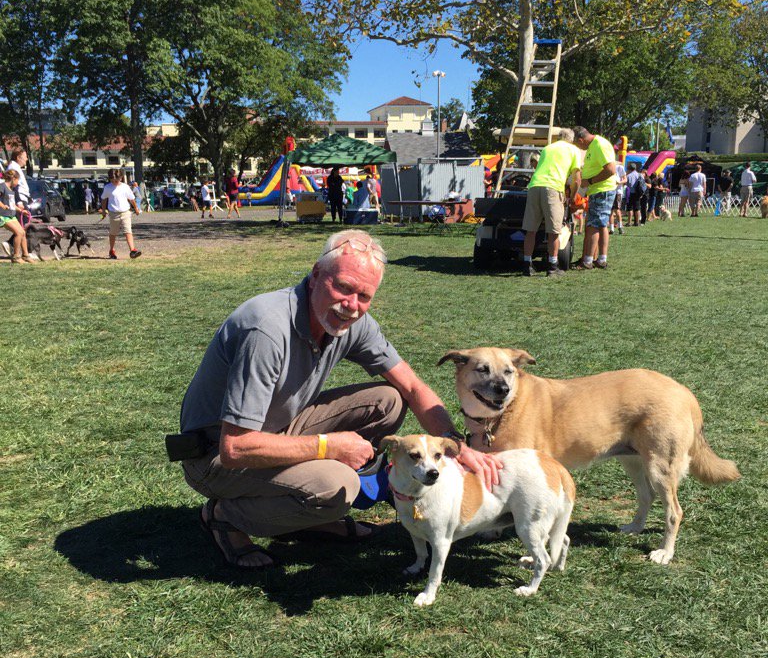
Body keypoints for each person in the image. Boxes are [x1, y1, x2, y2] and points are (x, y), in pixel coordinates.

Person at [179, 230, 503, 569]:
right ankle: (225, 517)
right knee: (338, 485)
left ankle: (308, 512)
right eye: (344, 287)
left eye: (364, 296)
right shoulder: (266, 329)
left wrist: (454, 444)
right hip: (214, 455)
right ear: (316, 274)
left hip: (276, 428)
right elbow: (235, 448)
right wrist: (328, 447)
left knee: (388, 400)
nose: (351, 305)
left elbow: (412, 387)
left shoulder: (350, 321)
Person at [520, 127, 581, 278]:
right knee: (554, 231)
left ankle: (527, 265)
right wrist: (572, 197)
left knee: (531, 230)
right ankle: (552, 267)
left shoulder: (547, 148)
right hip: (553, 188)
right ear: (571, 139)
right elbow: (577, 180)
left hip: (534, 186)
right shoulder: (573, 150)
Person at [573, 125, 617, 269]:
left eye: (577, 144)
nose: (579, 147)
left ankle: (587, 260)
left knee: (593, 225)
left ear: (581, 140)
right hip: (599, 190)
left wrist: (590, 181)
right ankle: (601, 259)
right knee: (601, 224)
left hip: (602, 190)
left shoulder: (599, 145)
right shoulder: (594, 145)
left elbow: (610, 170)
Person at [100, 167, 142, 259]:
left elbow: (131, 198)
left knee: (128, 231)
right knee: (113, 233)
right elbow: (103, 199)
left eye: (116, 180)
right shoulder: (107, 188)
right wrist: (103, 211)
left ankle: (133, 250)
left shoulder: (125, 187)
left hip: (125, 212)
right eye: (112, 180)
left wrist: (136, 208)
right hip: (113, 213)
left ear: (121, 178)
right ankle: (112, 250)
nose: (114, 182)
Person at [0, 168, 33, 264]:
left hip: (11, 215)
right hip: (3, 216)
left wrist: (21, 211)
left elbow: (12, 204)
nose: (18, 183)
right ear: (13, 178)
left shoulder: (12, 190)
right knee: (18, 233)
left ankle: (26, 255)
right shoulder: (2, 186)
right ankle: (15, 256)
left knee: (22, 232)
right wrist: (3, 206)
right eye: (18, 180)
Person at [6, 149, 30, 213]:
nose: (26, 159)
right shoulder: (13, 168)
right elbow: (13, 186)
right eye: (25, 157)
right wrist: (19, 201)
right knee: (23, 218)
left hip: (21, 198)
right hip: (19, 199)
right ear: (18, 157)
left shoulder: (16, 167)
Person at [610, 162, 626, 235]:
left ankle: (620, 227)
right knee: (610, 211)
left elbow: (625, 179)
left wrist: (619, 182)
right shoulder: (607, 166)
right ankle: (611, 229)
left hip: (618, 192)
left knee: (617, 210)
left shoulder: (620, 167)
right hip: (609, 191)